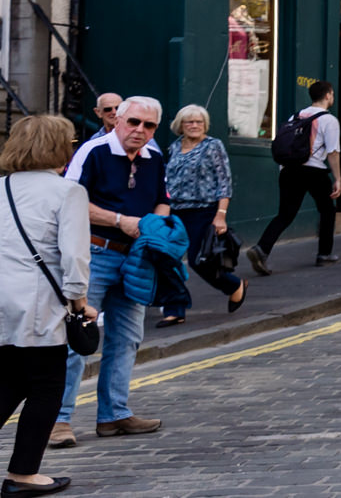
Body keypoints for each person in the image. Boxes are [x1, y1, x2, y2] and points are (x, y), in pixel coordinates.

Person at [54, 95, 169, 447]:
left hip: (136, 255)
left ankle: (114, 414)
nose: (140, 130)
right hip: (94, 252)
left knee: (128, 337)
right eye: (133, 122)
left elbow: (163, 198)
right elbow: (69, 200)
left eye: (149, 125)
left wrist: (154, 225)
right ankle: (59, 420)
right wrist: (121, 220)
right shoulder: (94, 151)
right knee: (77, 340)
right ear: (117, 120)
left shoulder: (155, 157)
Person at [2, 113, 94, 491]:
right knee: (45, 387)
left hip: (2, 305)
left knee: (8, 381)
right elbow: (73, 257)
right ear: (59, 147)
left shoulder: (1, 187)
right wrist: (79, 303)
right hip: (39, 307)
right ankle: (23, 474)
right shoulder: (67, 191)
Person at [156, 104, 246, 327]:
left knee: (199, 261)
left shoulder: (213, 146)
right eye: (190, 122)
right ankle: (175, 309)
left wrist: (220, 215)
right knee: (166, 258)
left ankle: (234, 285)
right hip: (174, 211)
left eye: (199, 122)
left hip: (203, 211)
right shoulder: (175, 147)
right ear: (180, 125)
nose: (195, 126)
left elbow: (224, 183)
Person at [247, 80, 341, 275]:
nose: (332, 97)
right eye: (331, 94)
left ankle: (262, 249)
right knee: (327, 210)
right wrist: (338, 178)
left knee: (285, 214)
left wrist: (284, 168)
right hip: (313, 170)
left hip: (290, 170)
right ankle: (324, 254)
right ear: (328, 95)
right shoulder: (329, 120)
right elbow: (333, 152)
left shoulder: (296, 116)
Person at [63, 92, 154, 180]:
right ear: (98, 112)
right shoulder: (92, 143)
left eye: (117, 108)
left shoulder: (141, 137)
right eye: (108, 109)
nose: (114, 112)